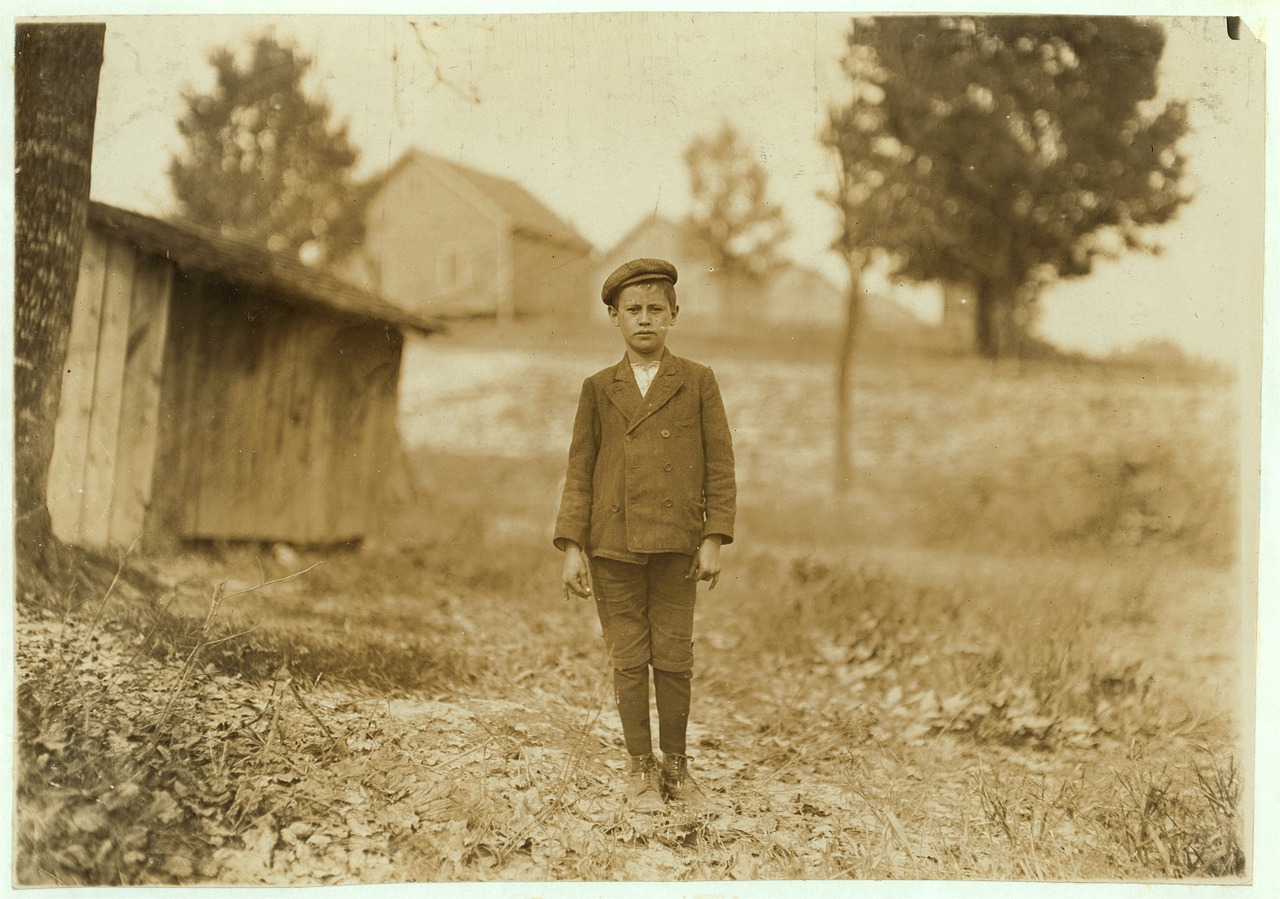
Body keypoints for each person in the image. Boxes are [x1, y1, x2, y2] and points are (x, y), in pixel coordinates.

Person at [554, 257, 736, 815]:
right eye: (633, 310)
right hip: (613, 545)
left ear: (675, 316)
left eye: (656, 310)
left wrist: (713, 537)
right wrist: (571, 547)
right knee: (628, 657)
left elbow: (720, 468)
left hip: (679, 546)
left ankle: (677, 767)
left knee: (675, 657)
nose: (645, 320)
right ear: (614, 318)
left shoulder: (698, 381)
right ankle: (638, 767)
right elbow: (579, 472)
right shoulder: (597, 388)